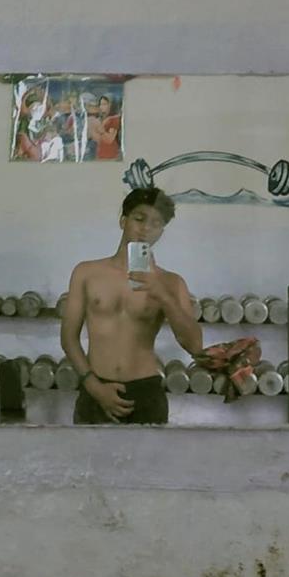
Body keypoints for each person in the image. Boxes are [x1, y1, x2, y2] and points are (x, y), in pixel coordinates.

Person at [60, 187, 203, 424]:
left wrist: (163, 295)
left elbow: (195, 345)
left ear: (161, 232)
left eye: (156, 224)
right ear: (123, 221)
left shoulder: (171, 282)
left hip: (145, 391)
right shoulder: (86, 273)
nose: (146, 228)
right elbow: (68, 338)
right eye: (139, 219)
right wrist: (94, 387)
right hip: (95, 387)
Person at [96, 94, 121, 160]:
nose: (101, 107)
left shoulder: (114, 119)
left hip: (111, 155)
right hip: (101, 154)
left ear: (111, 105)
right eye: (100, 104)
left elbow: (110, 139)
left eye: (104, 104)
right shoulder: (102, 119)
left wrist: (102, 131)